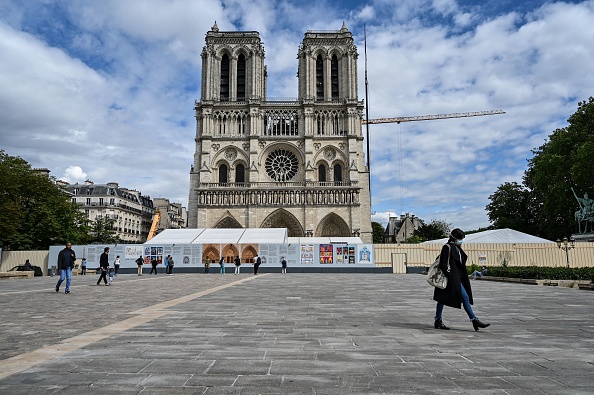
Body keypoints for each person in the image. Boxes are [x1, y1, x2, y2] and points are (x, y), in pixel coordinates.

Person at [433, 228, 490, 331]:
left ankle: (439, 320)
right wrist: (450, 276)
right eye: (460, 239)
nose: (462, 241)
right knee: (455, 298)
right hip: (450, 279)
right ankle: (474, 320)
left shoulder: (458, 248)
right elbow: (443, 263)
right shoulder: (447, 247)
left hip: (458, 278)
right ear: (455, 238)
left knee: (445, 299)